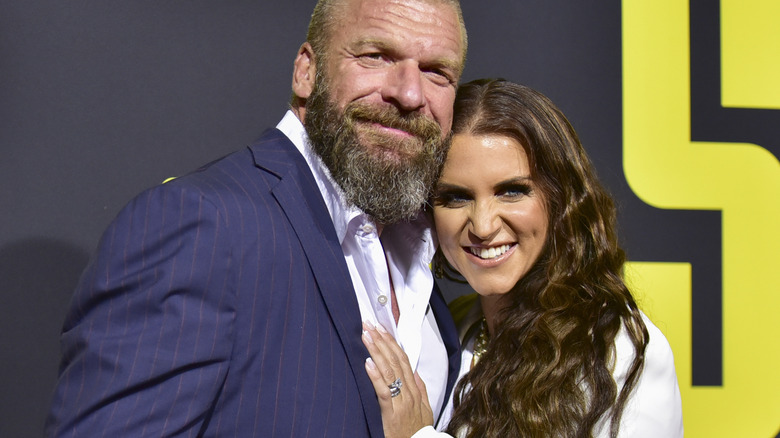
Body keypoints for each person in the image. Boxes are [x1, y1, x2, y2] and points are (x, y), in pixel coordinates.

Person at [45, 0, 468, 436]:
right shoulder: (201, 225)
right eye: (376, 56)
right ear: (306, 71)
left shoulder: (426, 242)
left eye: (438, 72)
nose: (410, 94)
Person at [362, 78, 684, 438]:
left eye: (511, 191)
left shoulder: (616, 350)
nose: (483, 225)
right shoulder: (453, 327)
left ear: (560, 198)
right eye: (455, 197)